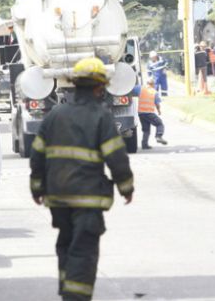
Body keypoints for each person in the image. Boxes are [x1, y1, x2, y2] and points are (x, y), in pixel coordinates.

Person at [30, 57, 134, 301]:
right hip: (87, 199)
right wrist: (126, 187)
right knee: (83, 250)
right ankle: (75, 297)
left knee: (66, 244)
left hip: (57, 198)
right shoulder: (101, 117)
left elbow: (37, 155)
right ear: (99, 87)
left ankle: (67, 291)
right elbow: (116, 157)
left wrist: (38, 188)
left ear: (75, 84)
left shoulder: (55, 115)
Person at [134, 78, 167, 149]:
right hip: (149, 113)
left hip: (141, 113)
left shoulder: (140, 88)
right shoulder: (154, 92)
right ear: (153, 84)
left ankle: (144, 145)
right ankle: (158, 136)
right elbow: (157, 104)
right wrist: (159, 111)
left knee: (146, 130)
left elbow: (131, 89)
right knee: (159, 123)